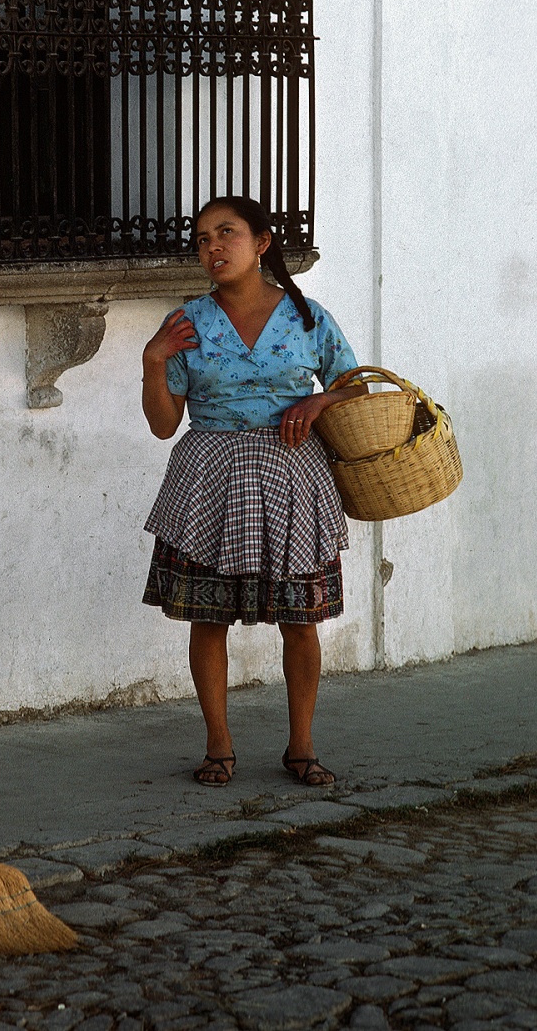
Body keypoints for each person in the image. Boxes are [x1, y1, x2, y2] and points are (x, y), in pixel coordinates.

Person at [140, 196, 366, 788]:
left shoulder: (308, 316)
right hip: (209, 475)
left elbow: (357, 388)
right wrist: (152, 361)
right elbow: (165, 424)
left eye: (226, 233)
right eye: (201, 239)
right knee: (207, 617)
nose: (211, 247)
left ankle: (302, 745)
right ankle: (218, 746)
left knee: (300, 616)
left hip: (292, 475)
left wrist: (321, 400)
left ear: (262, 243)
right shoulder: (186, 322)